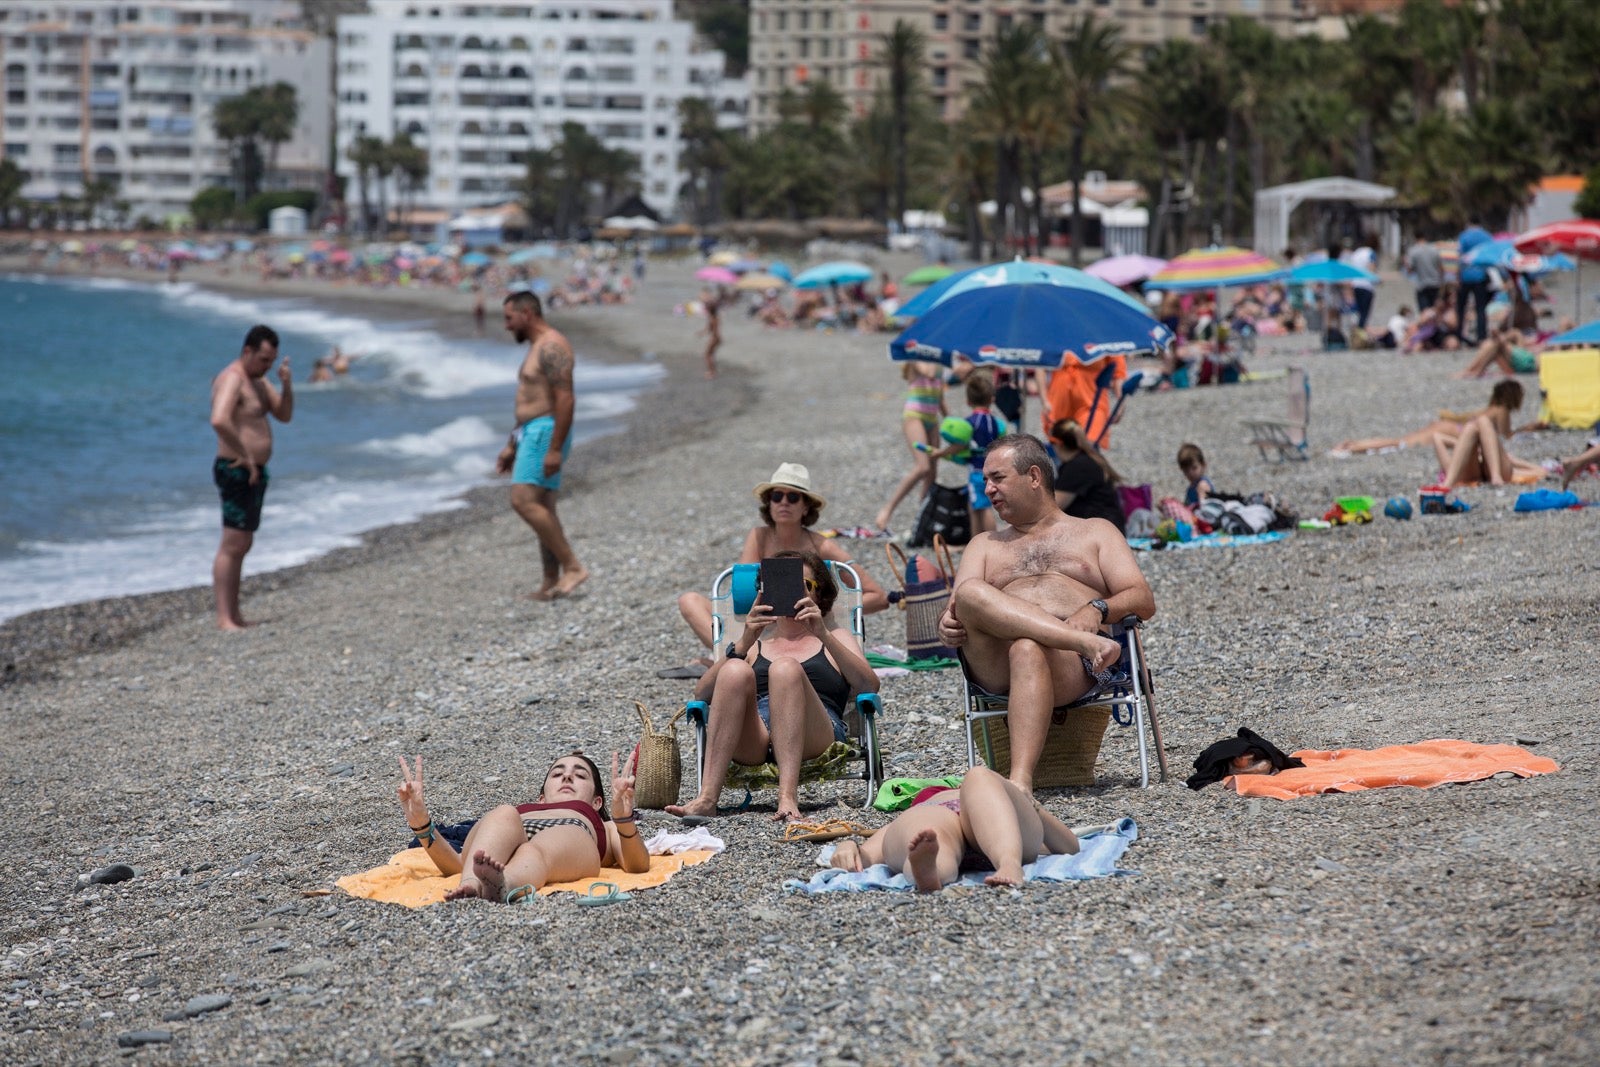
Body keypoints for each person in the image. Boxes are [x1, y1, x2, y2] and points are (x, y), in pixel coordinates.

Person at [937, 434, 1152, 792]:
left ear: (1034, 476)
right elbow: (961, 608)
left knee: (1026, 647)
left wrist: (1098, 607)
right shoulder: (984, 545)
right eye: (986, 481)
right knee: (970, 592)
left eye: (997, 478)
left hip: (1068, 666)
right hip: (995, 661)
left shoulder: (1095, 532)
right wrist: (947, 624)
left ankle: (1019, 784)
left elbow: (1142, 598)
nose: (988, 489)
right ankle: (1082, 641)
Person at [667, 550, 879, 823]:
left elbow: (869, 685)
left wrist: (822, 633)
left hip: (816, 732)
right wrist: (744, 642)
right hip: (757, 737)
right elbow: (702, 694)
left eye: (805, 585)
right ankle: (707, 799)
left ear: (819, 594)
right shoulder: (756, 645)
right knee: (734, 669)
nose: (794, 593)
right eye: (782, 585)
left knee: (785, 668)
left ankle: (787, 798)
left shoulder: (835, 636)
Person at [668, 463, 888, 674]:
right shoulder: (759, 536)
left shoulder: (823, 546)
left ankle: (722, 664)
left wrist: (830, 606)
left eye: (793, 497)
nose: (784, 502)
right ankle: (723, 657)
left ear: (805, 508)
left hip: (805, 626)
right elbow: (742, 594)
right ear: (769, 504)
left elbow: (878, 597)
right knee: (689, 600)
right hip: (765, 622)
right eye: (776, 496)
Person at [395, 751, 649, 905]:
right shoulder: (519, 814)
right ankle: (473, 886)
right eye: (557, 773)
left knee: (535, 851)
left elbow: (637, 865)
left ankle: (504, 885)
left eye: (580, 775)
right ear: (541, 798)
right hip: (513, 838)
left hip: (571, 839)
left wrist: (623, 818)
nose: (567, 777)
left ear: (596, 803)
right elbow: (459, 864)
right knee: (505, 812)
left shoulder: (604, 824)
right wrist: (422, 825)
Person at [827, 765, 1080, 892]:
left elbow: (1069, 846)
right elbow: (1068, 846)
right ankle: (931, 871)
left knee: (975, 779)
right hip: (975, 820)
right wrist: (849, 844)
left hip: (982, 819)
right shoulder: (931, 801)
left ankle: (934, 868)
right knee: (926, 828)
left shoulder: (960, 793)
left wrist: (1026, 801)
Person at [495, 291, 589, 600]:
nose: (507, 326)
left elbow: (565, 398)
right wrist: (512, 444)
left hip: (545, 432)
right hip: (532, 431)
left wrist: (553, 448)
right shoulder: (539, 346)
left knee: (523, 500)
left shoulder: (552, 346)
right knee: (543, 506)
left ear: (527, 314)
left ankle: (573, 567)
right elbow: (531, 401)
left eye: (510, 318)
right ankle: (551, 579)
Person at [209, 324, 292, 630]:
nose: (267, 366)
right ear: (247, 351)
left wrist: (285, 385)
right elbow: (219, 419)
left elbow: (283, 415)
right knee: (232, 542)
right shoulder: (233, 379)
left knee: (243, 542)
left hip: (253, 471)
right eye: (263, 359)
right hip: (236, 468)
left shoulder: (259, 382)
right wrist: (244, 455)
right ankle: (223, 617)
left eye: (271, 361)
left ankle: (235, 613)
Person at [1334, 380, 1525, 456]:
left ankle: (1353, 444)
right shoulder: (1502, 411)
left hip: (1447, 426)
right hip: (1450, 430)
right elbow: (1506, 435)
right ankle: (1352, 448)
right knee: (1400, 444)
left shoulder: (1490, 408)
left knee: (1400, 441)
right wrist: (1531, 428)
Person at [874, 361, 945, 534]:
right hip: (915, 416)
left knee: (932, 472)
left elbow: (939, 393)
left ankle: (923, 518)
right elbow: (928, 372)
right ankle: (887, 510)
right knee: (922, 466)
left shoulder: (938, 361)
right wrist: (940, 357)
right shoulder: (916, 358)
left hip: (932, 418)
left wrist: (950, 418)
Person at [1050, 419, 1125, 533]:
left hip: (1100, 533)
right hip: (1108, 528)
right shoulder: (1087, 458)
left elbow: (1053, 507)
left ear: (1059, 443)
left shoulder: (1077, 467)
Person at [962, 372, 1007, 536]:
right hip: (992, 468)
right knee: (977, 505)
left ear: (968, 401)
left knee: (982, 506)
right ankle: (977, 539)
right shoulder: (997, 422)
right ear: (992, 399)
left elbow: (960, 445)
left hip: (975, 470)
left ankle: (986, 539)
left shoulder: (968, 423)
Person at [1457, 217, 1493, 344]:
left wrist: (1457, 276)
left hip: (1465, 275)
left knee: (1461, 308)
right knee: (1480, 308)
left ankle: (1459, 335)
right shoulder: (1487, 236)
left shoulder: (1464, 236)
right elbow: (1490, 256)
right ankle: (1481, 336)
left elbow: (1459, 257)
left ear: (1469, 223)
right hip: (1481, 275)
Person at [1405, 235, 1444, 313]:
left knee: (1424, 312)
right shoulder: (1435, 250)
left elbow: (1410, 271)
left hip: (1422, 285)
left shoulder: (1413, 251)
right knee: (1435, 310)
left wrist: (1406, 264)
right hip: (1435, 284)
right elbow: (1441, 268)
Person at [701, 288, 723, 379]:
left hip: (715, 338)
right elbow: (709, 328)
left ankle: (712, 372)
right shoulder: (715, 317)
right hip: (717, 338)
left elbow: (711, 328)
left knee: (707, 355)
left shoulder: (713, 318)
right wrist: (702, 332)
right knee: (711, 354)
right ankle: (713, 370)